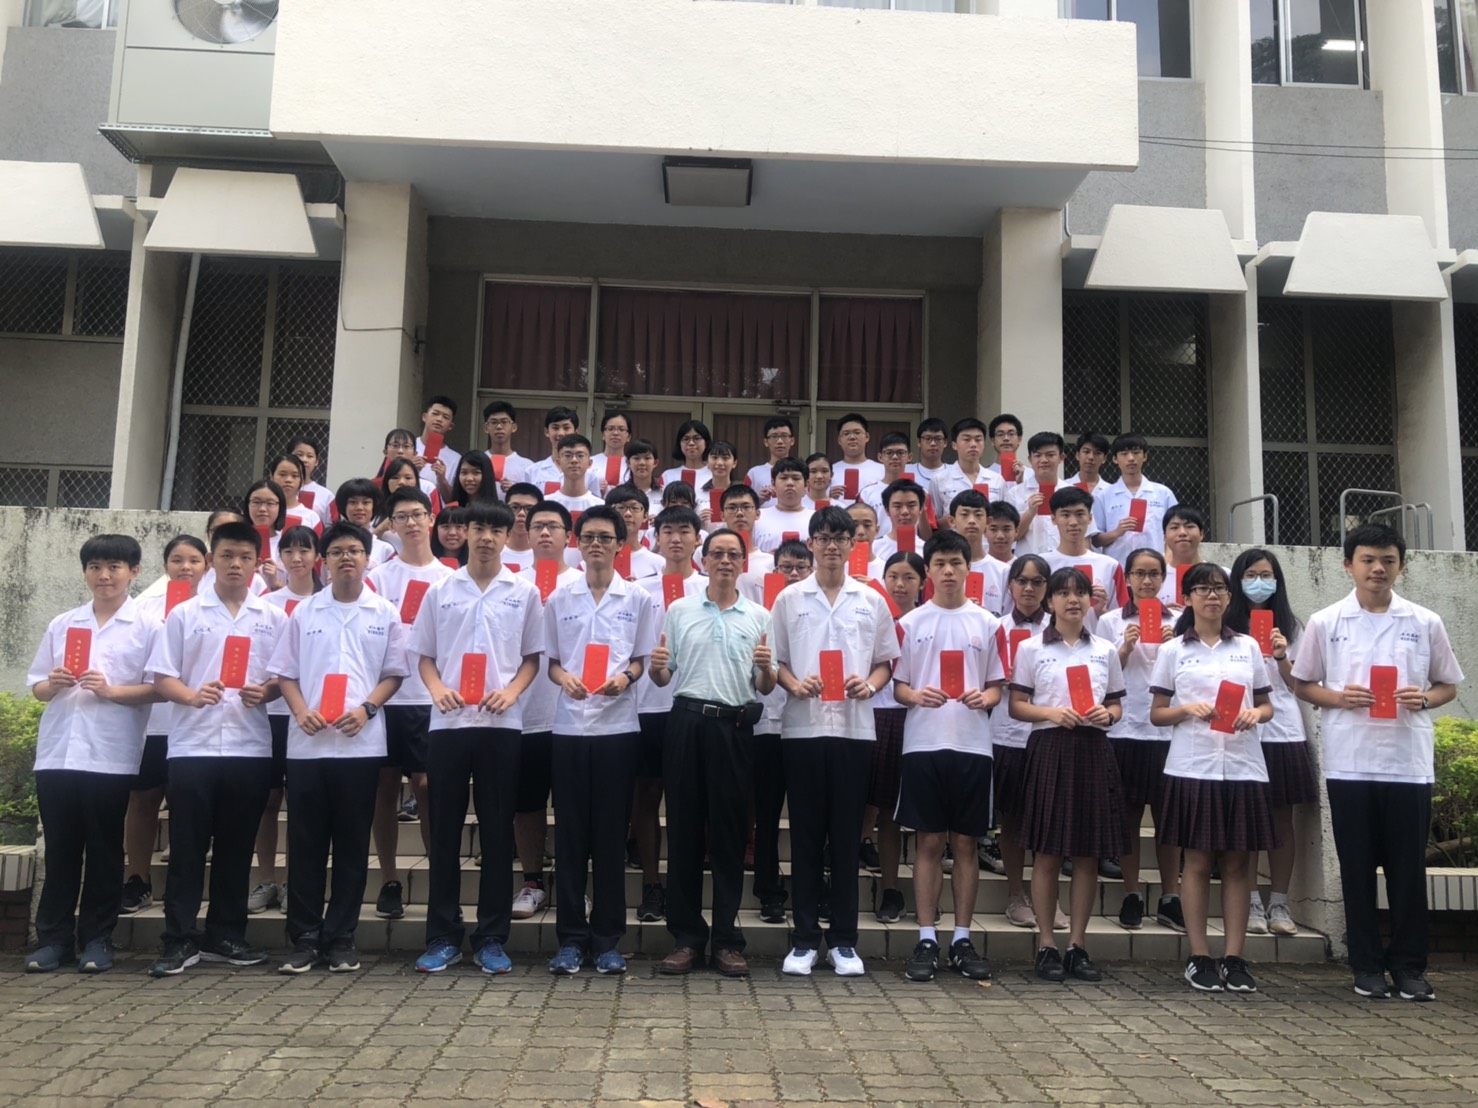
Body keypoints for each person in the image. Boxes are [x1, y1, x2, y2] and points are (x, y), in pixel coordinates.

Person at [1292, 522, 1462, 1002]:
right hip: (1350, 762)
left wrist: (1423, 699)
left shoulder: (1424, 621)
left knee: (1408, 870)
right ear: (1348, 565)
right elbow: (1303, 683)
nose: (1378, 569)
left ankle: (1409, 966)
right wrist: (1338, 698)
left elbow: (1448, 685)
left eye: (1388, 560)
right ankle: (1365, 965)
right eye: (1367, 560)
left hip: (1407, 763)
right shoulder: (1327, 621)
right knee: (1357, 868)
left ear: (1401, 566)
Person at [147, 521, 290, 976]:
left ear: (257, 563)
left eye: (245, 557)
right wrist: (191, 696)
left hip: (249, 747)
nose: (235, 564)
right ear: (212, 560)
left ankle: (226, 935)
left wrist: (265, 692)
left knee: (236, 847)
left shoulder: (273, 617)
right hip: (193, 746)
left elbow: (284, 678)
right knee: (187, 847)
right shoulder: (184, 614)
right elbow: (162, 676)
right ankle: (178, 939)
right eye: (227, 555)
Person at [409, 500, 543, 974]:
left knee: (497, 831)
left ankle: (490, 937)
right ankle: (443, 935)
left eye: (495, 530)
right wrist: (437, 689)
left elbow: (532, 657)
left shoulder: (524, 592)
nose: (486, 537)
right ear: (464, 532)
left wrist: (511, 692)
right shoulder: (440, 590)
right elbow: (424, 655)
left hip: (500, 726)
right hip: (448, 725)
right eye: (479, 528)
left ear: (508, 537)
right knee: (444, 830)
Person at [270, 522, 408, 973]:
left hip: (359, 745)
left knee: (351, 844)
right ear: (322, 561)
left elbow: (393, 673)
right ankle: (305, 938)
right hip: (308, 744)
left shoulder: (384, 612)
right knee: (305, 843)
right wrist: (300, 711)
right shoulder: (304, 612)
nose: (345, 557)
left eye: (354, 550)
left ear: (368, 558)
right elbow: (286, 673)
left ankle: (342, 936)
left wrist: (367, 709)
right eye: (336, 552)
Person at [771, 507, 899, 977]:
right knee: (806, 837)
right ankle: (804, 940)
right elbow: (776, 662)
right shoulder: (789, 598)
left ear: (852, 544)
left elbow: (885, 662)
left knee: (846, 837)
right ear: (811, 544)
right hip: (802, 730)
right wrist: (793, 684)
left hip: (853, 730)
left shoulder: (871, 600)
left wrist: (869, 683)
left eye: (839, 538)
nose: (830, 546)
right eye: (822, 538)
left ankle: (844, 941)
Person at [24, 535, 159, 974]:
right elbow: (37, 686)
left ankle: (98, 939)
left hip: (109, 754)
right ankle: (54, 940)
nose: (104, 576)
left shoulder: (147, 626)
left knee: (104, 850)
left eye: (114, 567)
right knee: (61, 850)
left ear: (133, 572)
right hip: (58, 753)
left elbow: (158, 688)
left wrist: (111, 690)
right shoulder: (63, 623)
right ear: (85, 572)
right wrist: (52, 684)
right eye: (95, 567)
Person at [648, 527, 776, 977]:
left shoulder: (759, 615)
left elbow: (765, 686)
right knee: (684, 830)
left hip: (734, 728)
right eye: (716, 554)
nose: (724, 561)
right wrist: (656, 669)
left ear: (743, 563)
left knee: (729, 836)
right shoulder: (679, 610)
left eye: (732, 554)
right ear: (703, 561)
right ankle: (686, 938)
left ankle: (726, 941)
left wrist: (767, 671)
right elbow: (665, 677)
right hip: (686, 723)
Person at [542, 506, 659, 975]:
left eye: (605, 537)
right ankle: (571, 940)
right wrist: (564, 678)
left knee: (611, 836)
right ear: (577, 542)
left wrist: (625, 678)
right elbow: (552, 662)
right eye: (588, 536)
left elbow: (641, 659)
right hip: (570, 727)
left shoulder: (638, 598)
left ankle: (608, 939)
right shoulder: (559, 597)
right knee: (571, 836)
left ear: (620, 544)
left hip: (618, 728)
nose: (596, 544)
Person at [1150, 562, 1276, 994]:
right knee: (1199, 862)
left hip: (1243, 765)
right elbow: (1157, 713)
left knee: (1238, 863)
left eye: (1219, 588)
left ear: (1229, 596)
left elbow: (1267, 705)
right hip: (1193, 765)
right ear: (1187, 598)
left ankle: (1235, 958)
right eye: (1202, 589)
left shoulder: (1247, 646)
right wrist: (1187, 709)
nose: (1212, 596)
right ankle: (1200, 955)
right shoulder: (1174, 650)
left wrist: (1255, 713)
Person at [892, 531, 1003, 983]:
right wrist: (917, 695)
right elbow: (899, 687)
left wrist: (985, 698)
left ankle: (961, 938)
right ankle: (925, 938)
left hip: (973, 745)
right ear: (927, 572)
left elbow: (997, 686)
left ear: (968, 568)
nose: (949, 570)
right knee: (929, 843)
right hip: (923, 744)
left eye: (956, 562)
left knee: (966, 845)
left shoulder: (988, 622)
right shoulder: (910, 623)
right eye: (939, 563)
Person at [1009, 567, 1126, 983]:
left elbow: (1117, 705)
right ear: (1050, 601)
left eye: (1080, 593)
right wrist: (1052, 713)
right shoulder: (1031, 648)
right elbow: (1016, 705)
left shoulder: (1105, 650)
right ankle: (1046, 944)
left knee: (1087, 854)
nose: (1073, 600)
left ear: (1090, 600)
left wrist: (1107, 715)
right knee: (1046, 852)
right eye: (1063, 593)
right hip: (1049, 748)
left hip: (1093, 748)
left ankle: (1077, 945)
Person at [364, 487, 455, 921]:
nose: (412, 522)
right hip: (386, 696)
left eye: (419, 514)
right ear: (392, 525)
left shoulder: (450, 576)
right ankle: (389, 881)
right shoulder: (379, 577)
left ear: (432, 518)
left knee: (426, 787)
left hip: (429, 697)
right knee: (384, 789)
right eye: (402, 516)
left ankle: (440, 880)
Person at [1225, 547, 1318, 938]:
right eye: (1250, 575)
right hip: (1240, 728)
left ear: (1277, 581)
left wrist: (1281, 657)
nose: (1258, 582)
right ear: (1237, 580)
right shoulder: (1225, 624)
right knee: (1245, 819)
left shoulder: (1292, 627)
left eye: (1266, 575)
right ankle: (1249, 901)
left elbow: (1301, 685)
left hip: (1282, 732)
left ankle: (1279, 900)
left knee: (1282, 818)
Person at [1096, 548, 1182, 932]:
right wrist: (1124, 648)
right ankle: (1132, 893)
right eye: (1139, 574)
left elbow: (1191, 674)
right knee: (1128, 816)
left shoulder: (1180, 621)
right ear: (1128, 578)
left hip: (1167, 731)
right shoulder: (1110, 621)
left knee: (1169, 819)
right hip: (1126, 729)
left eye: (1154, 574)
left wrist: (1175, 645)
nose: (1147, 581)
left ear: (1163, 578)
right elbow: (1100, 675)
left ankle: (1170, 897)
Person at [122, 534, 208, 916]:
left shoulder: (217, 605)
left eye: (193, 560)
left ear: (206, 565)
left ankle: (183, 889)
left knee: (187, 810)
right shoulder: (145, 608)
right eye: (177, 560)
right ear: (165, 566)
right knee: (142, 801)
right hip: (154, 725)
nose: (185, 567)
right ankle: (137, 880)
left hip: (194, 726)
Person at [631, 506, 708, 923]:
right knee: (646, 797)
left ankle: (682, 887)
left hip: (693, 706)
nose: (676, 538)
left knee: (688, 803)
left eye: (684, 531)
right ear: (655, 538)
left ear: (698, 538)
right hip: (646, 706)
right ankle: (651, 884)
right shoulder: (637, 590)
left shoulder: (710, 587)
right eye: (668, 531)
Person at [510, 501, 582, 921]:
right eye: (537, 525)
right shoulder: (512, 584)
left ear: (568, 536)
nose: (544, 533)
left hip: (575, 716)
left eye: (553, 526)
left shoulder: (584, 583)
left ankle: (575, 886)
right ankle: (533, 882)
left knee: (574, 806)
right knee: (528, 804)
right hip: (526, 713)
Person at [984, 555, 1061, 934]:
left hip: (1050, 736)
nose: (1029, 588)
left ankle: (1049, 898)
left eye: (1037, 582)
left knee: (1050, 819)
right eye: (1022, 581)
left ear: (1048, 588)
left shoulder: (1061, 629)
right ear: (1010, 586)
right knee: (1012, 819)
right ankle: (1016, 894)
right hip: (1006, 734)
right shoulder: (994, 627)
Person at [250, 524, 321, 916]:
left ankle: (296, 880)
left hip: (313, 715)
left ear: (316, 556)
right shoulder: (267, 603)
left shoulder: (328, 601)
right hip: (272, 713)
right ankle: (267, 880)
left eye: (304, 550)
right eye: (289, 551)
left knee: (302, 803)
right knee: (267, 799)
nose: (296, 558)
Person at [750, 539, 811, 922]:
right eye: (785, 567)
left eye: (800, 567)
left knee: (810, 816)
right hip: (767, 726)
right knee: (768, 814)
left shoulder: (815, 611)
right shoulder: (759, 613)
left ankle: (812, 889)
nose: (793, 574)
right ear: (774, 571)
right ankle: (769, 891)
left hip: (808, 725)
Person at [868, 551, 922, 924]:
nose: (900, 585)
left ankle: (908, 890)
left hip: (917, 719)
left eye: (909, 577)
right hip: (872, 715)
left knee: (906, 814)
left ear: (922, 582)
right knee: (876, 809)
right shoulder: (872, 616)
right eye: (893, 577)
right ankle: (886, 887)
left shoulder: (926, 620)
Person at [1040, 486, 1126, 629]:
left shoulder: (1110, 565)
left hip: (1098, 641)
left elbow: (1121, 620)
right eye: (1065, 515)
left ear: (1090, 518)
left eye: (1080, 514)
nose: (1073, 522)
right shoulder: (1042, 564)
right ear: (1053, 519)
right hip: (1052, 641)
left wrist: (1101, 611)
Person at [1091, 433, 1178, 566]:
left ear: (1145, 456)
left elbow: (1175, 530)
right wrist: (1117, 532)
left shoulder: (1163, 493)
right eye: (1124, 454)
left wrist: (1167, 561)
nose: (1131, 458)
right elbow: (1095, 540)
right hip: (1118, 567)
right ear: (1115, 459)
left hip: (1155, 568)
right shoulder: (1104, 496)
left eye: (1136, 453)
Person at [1009, 433, 1100, 555]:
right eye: (1038, 455)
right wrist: (1030, 513)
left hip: (1065, 562)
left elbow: (1085, 537)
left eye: (1050, 455)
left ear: (1061, 458)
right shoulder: (1015, 493)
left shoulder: (1075, 493)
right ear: (1030, 459)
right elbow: (1011, 536)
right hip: (1029, 561)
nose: (1044, 460)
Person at [929, 417, 1004, 527]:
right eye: (967, 439)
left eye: (978, 440)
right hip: (952, 537)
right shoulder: (939, 480)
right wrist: (958, 515)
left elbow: (1004, 518)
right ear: (954, 445)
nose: (973, 444)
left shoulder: (997, 480)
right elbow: (933, 525)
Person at [526, 406, 599, 495]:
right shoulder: (532, 471)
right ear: (546, 432)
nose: (561, 433)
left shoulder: (589, 473)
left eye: (566, 428)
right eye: (555, 428)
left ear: (576, 432)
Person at [334, 479, 398, 569]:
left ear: (374, 506)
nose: (359, 508)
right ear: (344, 506)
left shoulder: (385, 549)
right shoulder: (332, 545)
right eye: (353, 502)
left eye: (366, 502)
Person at [753, 458, 814, 553]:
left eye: (796, 478)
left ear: (806, 485)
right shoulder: (757, 518)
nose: (790, 483)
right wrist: (767, 558)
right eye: (784, 478)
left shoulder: (816, 518)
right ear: (773, 484)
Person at [606, 484, 666, 578]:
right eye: (621, 508)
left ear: (645, 516)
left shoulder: (659, 564)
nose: (628, 514)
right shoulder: (596, 559)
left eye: (635, 508)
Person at [415, 395, 461, 503]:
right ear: (424, 417)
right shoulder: (407, 446)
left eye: (446, 417)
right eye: (435, 413)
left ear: (450, 426)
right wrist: (409, 469)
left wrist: (442, 480)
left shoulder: (456, 459)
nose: (439, 419)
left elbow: (453, 500)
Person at [481, 399, 532, 498]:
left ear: (514, 427)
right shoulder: (478, 461)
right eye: (493, 422)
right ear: (486, 428)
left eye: (504, 422)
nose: (499, 426)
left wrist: (514, 491)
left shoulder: (527, 466)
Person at [829, 413, 885, 505]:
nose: (852, 437)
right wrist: (827, 497)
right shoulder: (829, 472)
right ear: (839, 440)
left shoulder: (883, 470)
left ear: (867, 437)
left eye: (857, 432)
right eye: (846, 433)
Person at [871, 479, 929, 562]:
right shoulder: (873, 548)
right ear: (887, 510)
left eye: (911, 505)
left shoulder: (928, 551)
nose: (905, 512)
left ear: (921, 509)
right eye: (897, 506)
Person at [267, 454, 324, 534]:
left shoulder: (312, 518)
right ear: (272, 476)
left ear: (302, 480)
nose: (288, 480)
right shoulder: (261, 512)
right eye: (282, 474)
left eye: (294, 476)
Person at [747, 416, 796, 500]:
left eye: (784, 436)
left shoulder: (801, 472)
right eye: (774, 436)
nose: (780, 441)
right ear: (766, 442)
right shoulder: (754, 473)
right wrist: (757, 500)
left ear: (792, 440)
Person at [499, 483, 543, 575]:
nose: (521, 513)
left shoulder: (547, 554)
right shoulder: (494, 551)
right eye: (515, 507)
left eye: (529, 509)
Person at [289, 436, 334, 521]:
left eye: (309, 456)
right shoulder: (277, 490)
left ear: (316, 461)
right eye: (299, 455)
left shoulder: (327, 496)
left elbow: (333, 526)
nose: (304, 460)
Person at [698, 441, 740, 531]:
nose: (720, 462)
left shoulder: (742, 494)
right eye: (714, 457)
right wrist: (697, 520)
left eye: (725, 458)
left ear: (734, 463)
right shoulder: (697, 494)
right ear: (707, 462)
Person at [663, 419, 713, 490]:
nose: (691, 443)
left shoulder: (715, 475)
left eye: (697, 438)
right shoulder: (668, 476)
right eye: (686, 439)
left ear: (706, 443)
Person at [590, 410, 632, 493]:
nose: (615, 433)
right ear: (603, 434)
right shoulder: (590, 462)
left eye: (621, 429)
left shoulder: (632, 464)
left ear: (629, 437)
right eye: (610, 429)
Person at [624, 438, 665, 514]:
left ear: (655, 462)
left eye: (647, 458)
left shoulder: (664, 494)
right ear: (628, 462)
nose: (642, 463)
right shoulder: (620, 493)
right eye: (636, 458)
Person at [987, 414, 1026, 486]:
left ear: (1019, 439)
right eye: (1000, 434)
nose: (1006, 438)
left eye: (1011, 434)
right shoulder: (985, 474)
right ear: (992, 441)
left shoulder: (1031, 474)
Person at [1070, 431, 1111, 496]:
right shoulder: (1064, 487)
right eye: (1086, 452)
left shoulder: (1110, 491)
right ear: (1077, 455)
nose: (1091, 457)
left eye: (1097, 453)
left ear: (1104, 458)